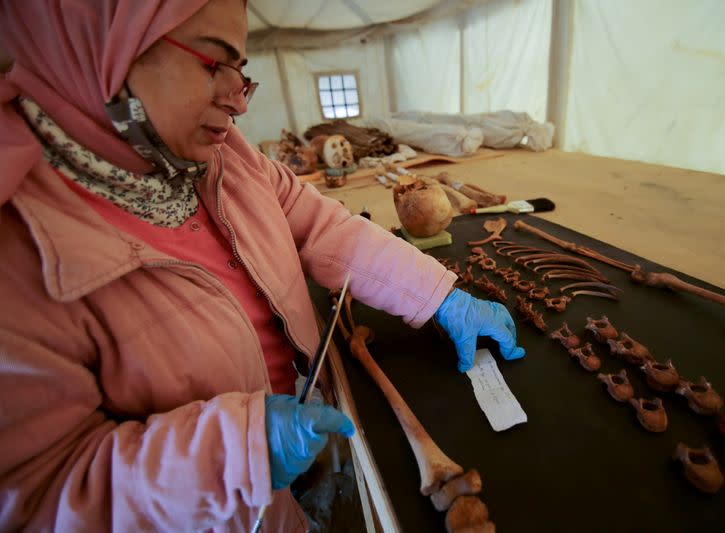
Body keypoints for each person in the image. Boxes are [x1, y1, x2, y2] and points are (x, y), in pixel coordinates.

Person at [0, 1, 525, 530]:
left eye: (241, 71)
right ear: (98, 46)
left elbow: (321, 224)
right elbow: (38, 495)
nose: (239, 102)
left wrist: (436, 295)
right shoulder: (14, 247)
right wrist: (232, 456)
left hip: (310, 418)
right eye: (212, 64)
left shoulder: (224, 156)